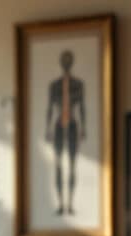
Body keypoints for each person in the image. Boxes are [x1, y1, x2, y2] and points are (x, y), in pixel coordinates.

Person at [45, 49, 86, 215]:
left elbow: (82, 107)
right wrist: (47, 128)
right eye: (64, 60)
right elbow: (49, 107)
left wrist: (83, 128)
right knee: (58, 165)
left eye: (69, 60)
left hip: (73, 125)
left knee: (72, 165)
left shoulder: (78, 84)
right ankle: (61, 203)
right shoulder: (54, 85)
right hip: (59, 125)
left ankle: (70, 203)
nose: (66, 63)